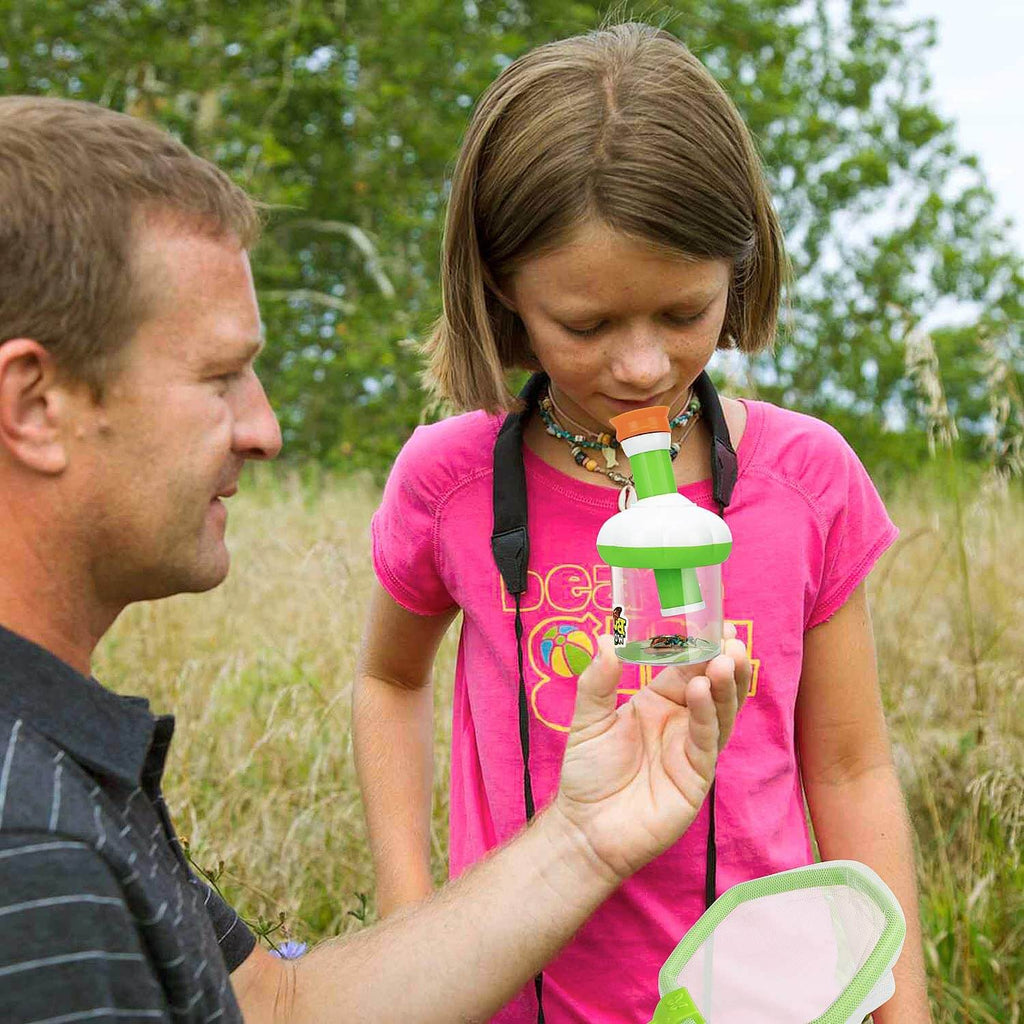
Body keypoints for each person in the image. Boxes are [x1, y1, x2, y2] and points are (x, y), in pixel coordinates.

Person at [0, 96, 748, 1024]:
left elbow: (277, 1007)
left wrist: (586, 837)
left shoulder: (53, 764)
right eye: (219, 376)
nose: (264, 429)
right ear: (34, 404)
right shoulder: (28, 851)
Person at [355, 22, 932, 1024]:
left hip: (775, 1003)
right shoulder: (447, 483)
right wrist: (412, 929)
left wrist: (901, 1011)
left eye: (682, 313)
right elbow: (387, 677)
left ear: (738, 270)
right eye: (584, 324)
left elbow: (850, 765)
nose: (639, 365)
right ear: (501, 289)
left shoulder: (806, 479)